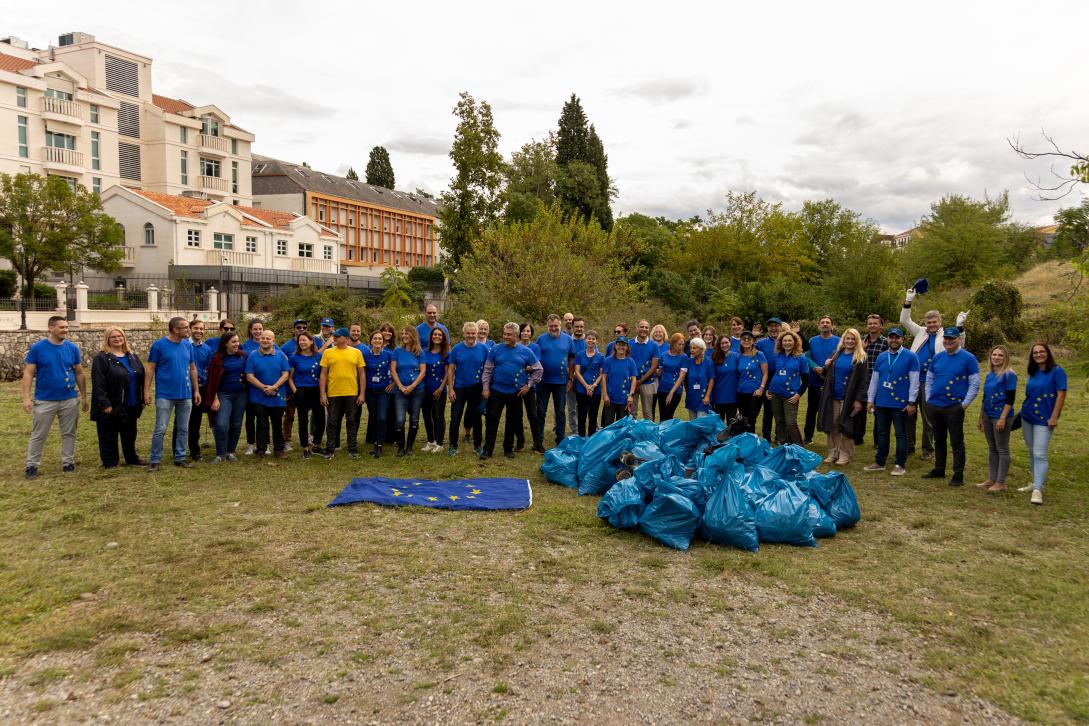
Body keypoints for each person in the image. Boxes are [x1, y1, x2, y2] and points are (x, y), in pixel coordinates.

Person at [901, 288, 969, 460]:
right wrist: (908, 300)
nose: (931, 325)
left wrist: (960, 327)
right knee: (908, 413)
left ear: (940, 322)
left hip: (931, 382)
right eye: (928, 322)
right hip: (913, 379)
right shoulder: (920, 332)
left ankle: (927, 449)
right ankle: (909, 445)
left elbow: (960, 344)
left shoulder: (946, 335)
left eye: (934, 322)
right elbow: (904, 320)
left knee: (928, 417)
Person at [22, 316, 88, 479]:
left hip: (69, 399)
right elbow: (29, 372)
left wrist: (84, 396)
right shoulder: (38, 348)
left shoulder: (72, 348)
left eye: (66, 327)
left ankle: (68, 463)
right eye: (62, 327)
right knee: (39, 434)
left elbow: (79, 372)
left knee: (69, 433)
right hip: (45, 399)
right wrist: (26, 397)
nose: (65, 330)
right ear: (51, 328)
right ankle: (32, 465)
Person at [922, 327, 981, 486]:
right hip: (935, 405)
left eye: (952, 339)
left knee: (956, 441)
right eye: (946, 339)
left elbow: (974, 383)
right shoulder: (938, 357)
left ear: (959, 340)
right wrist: (928, 399)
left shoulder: (968, 358)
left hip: (954, 406)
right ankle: (939, 469)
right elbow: (929, 379)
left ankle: (958, 474)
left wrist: (964, 404)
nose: (948, 341)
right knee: (939, 439)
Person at [145, 316, 200, 470]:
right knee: (161, 428)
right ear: (175, 329)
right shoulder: (159, 345)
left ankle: (180, 457)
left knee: (183, 428)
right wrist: (146, 391)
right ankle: (155, 460)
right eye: (186, 327)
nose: (189, 330)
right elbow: (150, 368)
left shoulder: (188, 346)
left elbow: (193, 368)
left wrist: (196, 390)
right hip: (165, 395)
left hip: (186, 394)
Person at [481, 322, 543, 460]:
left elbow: (539, 369)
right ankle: (488, 449)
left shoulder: (526, 351)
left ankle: (508, 448)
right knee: (492, 420)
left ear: (516, 335)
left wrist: (528, 385)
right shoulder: (496, 349)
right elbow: (487, 370)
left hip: (515, 392)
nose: (505, 336)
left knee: (511, 421)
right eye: (504, 334)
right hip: (496, 390)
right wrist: (485, 388)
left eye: (509, 334)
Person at [864, 328, 919, 476]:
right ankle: (880, 462)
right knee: (882, 433)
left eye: (897, 338)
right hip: (881, 402)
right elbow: (874, 379)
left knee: (901, 434)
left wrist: (911, 402)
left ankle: (900, 464)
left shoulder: (911, 356)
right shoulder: (882, 356)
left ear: (902, 339)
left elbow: (914, 381)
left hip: (900, 404)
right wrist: (870, 400)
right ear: (887, 339)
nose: (894, 340)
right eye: (891, 338)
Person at [1018, 342, 1067, 505]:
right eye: (1035, 353)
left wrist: (1054, 417)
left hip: (1045, 418)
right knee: (1032, 451)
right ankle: (1035, 482)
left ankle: (1038, 489)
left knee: (1040, 453)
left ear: (1048, 353)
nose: (1038, 354)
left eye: (1041, 351)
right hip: (1027, 416)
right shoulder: (1032, 372)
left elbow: (1061, 395)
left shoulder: (1057, 371)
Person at [90, 327, 146, 469]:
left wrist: (142, 397)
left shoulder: (131, 356)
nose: (117, 339)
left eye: (119, 336)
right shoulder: (102, 358)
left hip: (131, 402)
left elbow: (140, 377)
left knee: (129, 433)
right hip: (112, 403)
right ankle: (110, 461)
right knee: (108, 434)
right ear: (107, 339)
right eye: (113, 337)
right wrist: (104, 404)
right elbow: (98, 383)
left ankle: (131, 457)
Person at [817, 328, 869, 466]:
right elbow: (825, 374)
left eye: (853, 339)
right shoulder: (836, 354)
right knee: (832, 423)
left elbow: (863, 381)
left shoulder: (861, 357)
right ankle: (833, 451)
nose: (850, 341)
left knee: (846, 425)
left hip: (849, 398)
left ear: (857, 341)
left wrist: (859, 400)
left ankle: (845, 454)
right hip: (833, 395)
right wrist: (826, 366)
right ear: (843, 340)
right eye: (848, 338)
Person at [319, 327, 366, 459]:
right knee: (332, 422)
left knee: (351, 421)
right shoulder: (328, 353)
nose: (334, 338)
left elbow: (362, 375)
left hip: (351, 393)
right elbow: (323, 374)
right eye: (334, 336)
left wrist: (362, 393)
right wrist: (322, 394)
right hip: (333, 393)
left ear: (345, 338)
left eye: (337, 336)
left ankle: (352, 448)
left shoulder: (356, 353)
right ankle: (330, 449)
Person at [245, 329, 291, 460]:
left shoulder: (281, 355)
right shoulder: (253, 355)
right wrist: (264, 388)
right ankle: (261, 449)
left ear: (273, 341)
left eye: (268, 338)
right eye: (263, 338)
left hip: (277, 396)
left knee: (277, 423)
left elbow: (285, 374)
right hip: (258, 396)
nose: (265, 340)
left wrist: (274, 387)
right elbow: (249, 376)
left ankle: (279, 449)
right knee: (261, 424)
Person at [976, 345, 1016, 492]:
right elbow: (985, 397)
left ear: (1005, 358)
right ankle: (991, 478)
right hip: (988, 414)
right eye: (994, 355)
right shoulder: (989, 374)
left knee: (1002, 449)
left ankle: (1001, 482)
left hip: (1001, 416)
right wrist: (981, 417)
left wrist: (1003, 418)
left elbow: (1010, 399)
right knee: (992, 448)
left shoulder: (1009, 375)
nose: (997, 357)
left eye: (1000, 355)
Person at [206, 332, 248, 462]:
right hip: (223, 394)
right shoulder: (217, 359)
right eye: (234, 342)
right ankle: (220, 454)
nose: (237, 344)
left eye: (238, 341)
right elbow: (212, 380)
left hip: (241, 394)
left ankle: (231, 452)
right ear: (225, 344)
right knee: (222, 424)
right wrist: (214, 398)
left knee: (236, 424)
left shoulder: (243, 356)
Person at [447, 322, 487, 456]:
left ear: (476, 334)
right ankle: (453, 446)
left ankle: (477, 446)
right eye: (468, 333)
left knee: (477, 418)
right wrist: (450, 389)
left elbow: (488, 370)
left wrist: (486, 387)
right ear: (464, 334)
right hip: (459, 388)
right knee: (455, 418)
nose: (471, 335)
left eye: (473, 333)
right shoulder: (456, 349)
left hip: (477, 388)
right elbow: (451, 370)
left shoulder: (483, 349)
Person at [536, 314, 575, 446]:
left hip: (561, 381)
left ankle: (560, 440)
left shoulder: (568, 339)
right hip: (543, 381)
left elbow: (571, 359)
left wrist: (570, 378)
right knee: (541, 411)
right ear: (548, 326)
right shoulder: (540, 339)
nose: (554, 328)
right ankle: (538, 441)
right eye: (551, 326)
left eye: (556, 326)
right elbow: (535, 359)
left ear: (560, 325)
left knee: (560, 412)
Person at [767, 330, 809, 445]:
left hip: (790, 395)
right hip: (775, 393)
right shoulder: (777, 356)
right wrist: (768, 390)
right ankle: (783, 444)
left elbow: (806, 380)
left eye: (790, 340)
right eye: (784, 340)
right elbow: (772, 373)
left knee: (791, 423)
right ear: (781, 342)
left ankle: (799, 448)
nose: (787, 343)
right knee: (779, 421)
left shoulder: (801, 358)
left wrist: (798, 394)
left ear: (795, 342)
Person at [288, 331, 324, 460]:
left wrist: (323, 393)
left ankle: (316, 445)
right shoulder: (294, 357)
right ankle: (305, 448)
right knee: (303, 420)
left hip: (316, 390)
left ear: (311, 341)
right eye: (300, 340)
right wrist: (295, 391)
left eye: (304, 340)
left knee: (320, 419)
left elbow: (322, 375)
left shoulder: (318, 356)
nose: (302, 342)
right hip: (301, 391)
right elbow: (290, 378)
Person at [391, 326, 427, 456]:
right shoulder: (397, 351)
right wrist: (400, 386)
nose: (404, 335)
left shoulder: (420, 352)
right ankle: (401, 447)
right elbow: (393, 370)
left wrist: (412, 386)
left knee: (415, 419)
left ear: (413, 335)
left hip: (417, 390)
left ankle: (409, 447)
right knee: (400, 420)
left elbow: (423, 371)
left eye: (406, 333)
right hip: (400, 390)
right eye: (402, 333)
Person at [805, 316, 840, 444]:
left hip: (831, 381)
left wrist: (826, 370)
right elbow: (807, 357)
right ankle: (808, 437)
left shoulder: (839, 341)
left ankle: (830, 437)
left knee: (829, 411)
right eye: (822, 322)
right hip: (814, 380)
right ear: (818, 325)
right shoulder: (812, 340)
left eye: (828, 322)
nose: (825, 324)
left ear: (832, 325)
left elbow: (840, 359)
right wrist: (815, 368)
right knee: (811, 410)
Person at [182, 319, 214, 461]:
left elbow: (208, 369)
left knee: (196, 421)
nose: (199, 331)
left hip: (200, 389)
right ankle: (178, 450)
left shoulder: (206, 349)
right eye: (196, 328)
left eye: (201, 329)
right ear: (190, 329)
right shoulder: (182, 345)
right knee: (181, 421)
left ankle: (195, 451)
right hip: (184, 388)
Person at [361, 331, 394, 457]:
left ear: (383, 341)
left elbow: (395, 370)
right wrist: (362, 393)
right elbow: (362, 374)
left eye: (380, 339)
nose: (378, 341)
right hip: (370, 390)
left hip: (383, 391)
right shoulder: (365, 355)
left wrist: (393, 384)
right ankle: (375, 442)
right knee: (374, 417)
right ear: (371, 341)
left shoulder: (388, 355)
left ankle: (380, 444)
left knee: (382, 417)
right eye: (375, 338)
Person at [279, 318, 310, 451]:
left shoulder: (311, 343)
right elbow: (281, 364)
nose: (301, 330)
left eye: (304, 327)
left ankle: (308, 437)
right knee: (289, 415)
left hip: (306, 387)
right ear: (294, 329)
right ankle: (286, 439)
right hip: (290, 387)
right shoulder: (287, 346)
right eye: (298, 327)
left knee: (306, 414)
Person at [421, 327, 451, 453]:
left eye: (439, 335)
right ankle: (431, 441)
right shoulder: (424, 352)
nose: (437, 336)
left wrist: (441, 388)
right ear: (431, 337)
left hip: (439, 390)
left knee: (438, 416)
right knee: (427, 416)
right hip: (426, 389)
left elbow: (447, 373)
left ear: (443, 337)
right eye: (435, 334)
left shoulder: (446, 354)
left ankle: (440, 443)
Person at [516, 323, 544, 453]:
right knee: (517, 415)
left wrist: (528, 367)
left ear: (531, 333)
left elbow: (535, 366)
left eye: (528, 331)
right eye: (523, 331)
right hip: (516, 385)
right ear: (519, 332)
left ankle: (537, 444)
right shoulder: (515, 346)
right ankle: (520, 443)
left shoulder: (535, 347)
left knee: (533, 414)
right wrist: (526, 366)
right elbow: (517, 365)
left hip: (530, 385)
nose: (525, 333)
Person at [601, 337, 639, 426]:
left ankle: (621, 440)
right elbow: (603, 378)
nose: (621, 347)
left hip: (624, 399)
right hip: (610, 399)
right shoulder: (608, 360)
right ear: (615, 346)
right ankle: (608, 440)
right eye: (619, 345)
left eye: (623, 345)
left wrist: (631, 395)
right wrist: (605, 395)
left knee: (622, 425)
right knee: (608, 424)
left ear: (627, 347)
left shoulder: (630, 361)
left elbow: (634, 379)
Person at [735, 331, 768, 432]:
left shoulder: (759, 355)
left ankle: (751, 443)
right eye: (744, 339)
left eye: (749, 339)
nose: (746, 341)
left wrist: (761, 388)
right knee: (743, 420)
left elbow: (765, 373)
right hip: (741, 392)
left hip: (755, 393)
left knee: (751, 420)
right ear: (740, 341)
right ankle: (744, 442)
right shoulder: (739, 356)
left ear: (753, 341)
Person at [573, 330, 604, 436]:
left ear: (596, 341)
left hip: (596, 391)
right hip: (581, 390)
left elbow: (601, 374)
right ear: (585, 340)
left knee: (593, 415)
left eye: (593, 339)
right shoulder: (579, 355)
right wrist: (586, 386)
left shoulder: (601, 356)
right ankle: (581, 437)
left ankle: (591, 438)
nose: (591, 341)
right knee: (581, 415)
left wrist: (594, 385)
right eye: (589, 338)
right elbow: (577, 371)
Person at [755, 317, 782, 439]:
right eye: (771, 326)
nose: (773, 328)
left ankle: (780, 436)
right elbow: (749, 351)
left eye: (776, 326)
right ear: (767, 328)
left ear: (780, 327)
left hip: (781, 378)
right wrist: (754, 337)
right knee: (767, 411)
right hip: (766, 378)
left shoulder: (785, 341)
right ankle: (766, 437)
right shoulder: (761, 343)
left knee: (780, 410)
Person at [241, 318, 265, 455]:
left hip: (266, 387)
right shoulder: (245, 346)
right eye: (255, 329)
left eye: (260, 329)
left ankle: (264, 443)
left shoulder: (270, 343)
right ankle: (251, 443)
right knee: (250, 417)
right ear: (250, 330)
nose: (258, 331)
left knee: (263, 418)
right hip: (250, 387)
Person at [629, 319, 660, 420]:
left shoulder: (654, 345)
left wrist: (641, 381)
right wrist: (634, 381)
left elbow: (654, 366)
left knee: (647, 412)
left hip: (647, 382)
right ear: (636, 329)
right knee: (631, 412)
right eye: (642, 327)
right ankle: (631, 433)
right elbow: (626, 363)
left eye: (646, 327)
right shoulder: (629, 343)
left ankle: (648, 434)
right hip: (631, 382)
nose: (644, 329)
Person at [656, 332, 689, 421]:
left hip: (675, 390)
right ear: (673, 343)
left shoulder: (684, 357)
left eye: (683, 344)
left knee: (668, 415)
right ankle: (662, 434)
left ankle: (668, 433)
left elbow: (682, 377)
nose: (681, 346)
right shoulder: (664, 355)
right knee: (662, 415)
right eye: (679, 344)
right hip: (662, 388)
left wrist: (671, 393)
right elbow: (660, 371)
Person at [566, 317, 587, 436]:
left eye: (581, 326)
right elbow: (566, 358)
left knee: (584, 407)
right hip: (570, 378)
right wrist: (571, 376)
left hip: (585, 380)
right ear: (572, 327)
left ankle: (591, 429)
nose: (579, 329)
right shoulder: (568, 341)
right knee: (571, 407)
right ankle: (575, 431)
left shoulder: (589, 341)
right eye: (577, 326)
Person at [710, 334, 740, 421]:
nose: (724, 345)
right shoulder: (715, 357)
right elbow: (712, 378)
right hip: (719, 396)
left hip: (733, 396)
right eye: (722, 343)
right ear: (719, 345)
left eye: (726, 342)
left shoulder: (736, 356)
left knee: (732, 424)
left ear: (730, 343)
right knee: (719, 424)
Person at [684, 337, 715, 419]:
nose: (691, 350)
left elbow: (711, 379)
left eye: (694, 348)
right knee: (693, 423)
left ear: (701, 349)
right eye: (690, 348)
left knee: (700, 423)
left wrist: (707, 396)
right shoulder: (689, 361)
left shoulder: (708, 362)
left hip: (703, 397)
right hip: (692, 397)